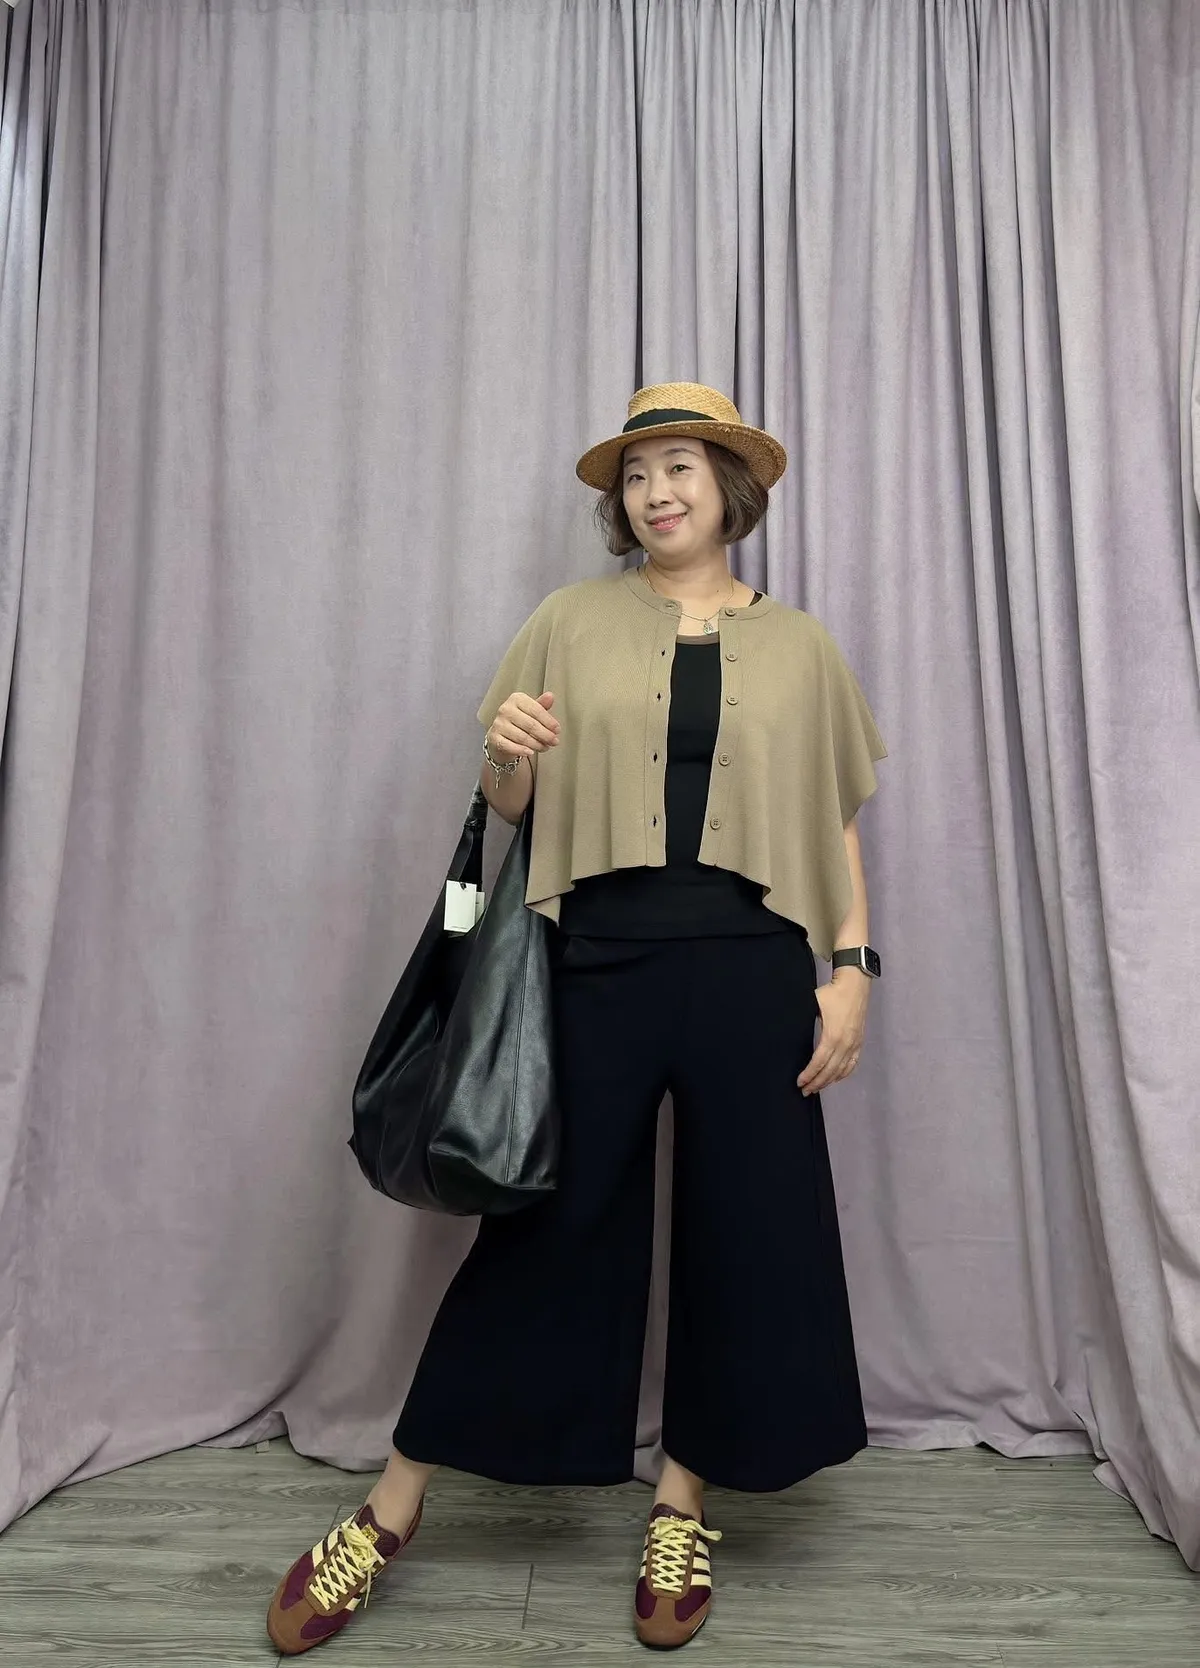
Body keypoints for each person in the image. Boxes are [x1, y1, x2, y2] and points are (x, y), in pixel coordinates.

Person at [267, 382, 888, 1655]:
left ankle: (682, 1505)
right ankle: (388, 1512)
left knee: (747, 1238)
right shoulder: (567, 622)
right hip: (593, 959)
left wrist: (853, 968)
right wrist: (507, 749)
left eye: (681, 466)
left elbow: (830, 821)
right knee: (543, 1235)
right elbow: (510, 804)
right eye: (637, 475)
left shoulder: (803, 647)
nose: (657, 492)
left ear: (729, 486)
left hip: (753, 972)